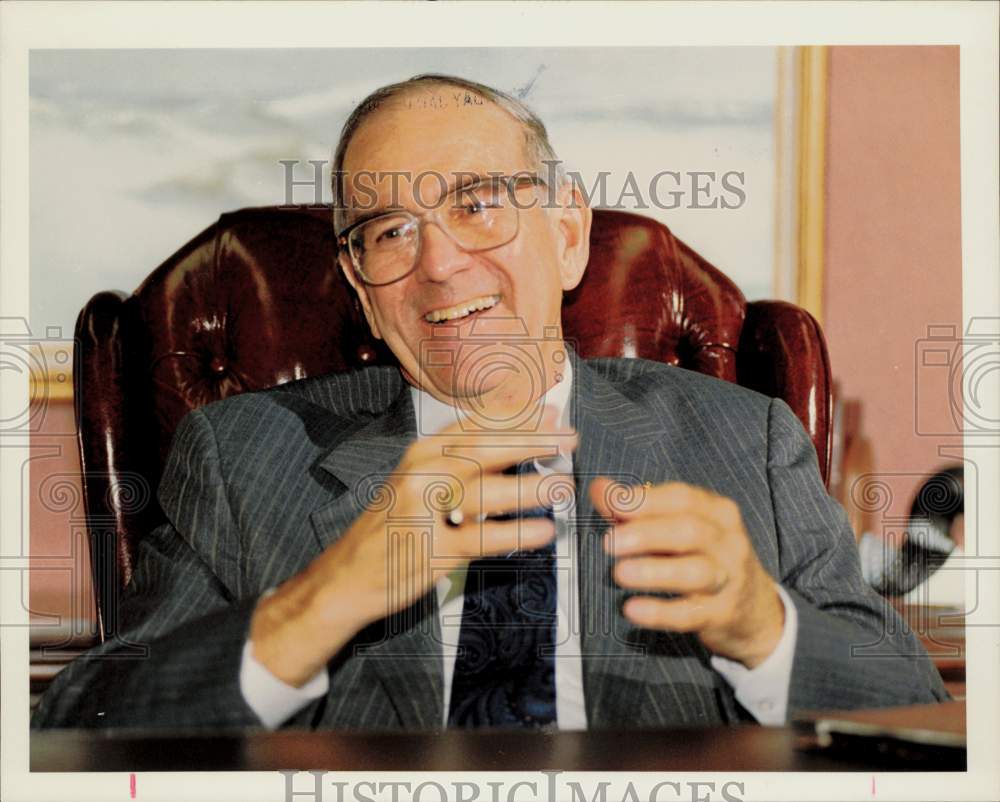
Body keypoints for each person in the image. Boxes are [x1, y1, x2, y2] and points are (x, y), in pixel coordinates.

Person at [33, 74, 946, 731]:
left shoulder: (740, 438)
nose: (438, 265)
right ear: (358, 281)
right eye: (390, 230)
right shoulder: (242, 456)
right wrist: (319, 603)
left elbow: (911, 703)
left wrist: (759, 625)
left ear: (569, 233)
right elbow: (84, 721)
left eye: (478, 205)